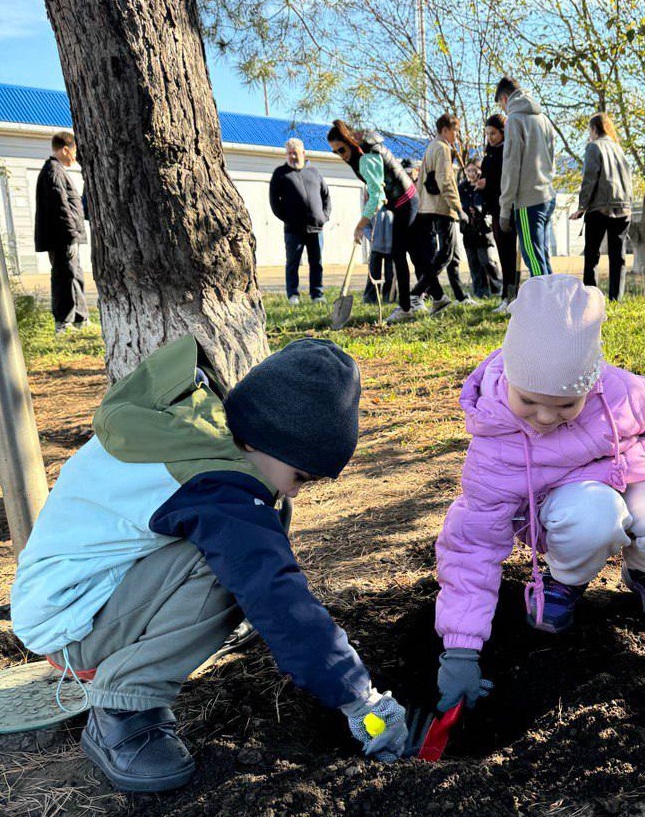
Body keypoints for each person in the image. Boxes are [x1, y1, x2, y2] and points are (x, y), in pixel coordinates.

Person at [11, 336, 409, 792]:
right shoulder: (212, 488)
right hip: (73, 632)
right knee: (235, 563)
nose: (298, 490)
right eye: (300, 476)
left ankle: (140, 663)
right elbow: (275, 594)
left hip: (77, 604)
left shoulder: (195, 436)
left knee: (260, 524)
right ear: (264, 440)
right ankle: (124, 707)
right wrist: (359, 698)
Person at [431, 275, 645, 711]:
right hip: (568, 509)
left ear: (592, 381)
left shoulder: (624, 394)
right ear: (509, 376)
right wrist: (461, 648)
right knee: (592, 516)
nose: (545, 417)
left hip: (635, 475)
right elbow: (473, 542)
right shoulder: (495, 444)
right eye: (529, 401)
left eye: (566, 405)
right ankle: (564, 581)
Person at [327, 120, 428, 324]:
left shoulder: (366, 159)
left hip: (405, 201)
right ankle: (432, 299)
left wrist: (361, 224)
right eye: (335, 152)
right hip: (403, 201)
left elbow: (377, 196)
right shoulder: (361, 157)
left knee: (403, 255)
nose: (340, 155)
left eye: (341, 149)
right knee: (412, 254)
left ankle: (409, 306)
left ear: (349, 142)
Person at [495, 77, 557, 279]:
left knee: (533, 259)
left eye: (500, 105)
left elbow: (511, 166)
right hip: (547, 195)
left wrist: (505, 207)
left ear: (505, 99)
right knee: (542, 256)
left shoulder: (515, 120)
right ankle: (552, 303)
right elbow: (552, 157)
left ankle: (543, 308)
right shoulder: (543, 118)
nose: (503, 111)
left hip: (528, 201)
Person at [570, 113, 633, 301]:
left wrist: (582, 206)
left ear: (594, 129)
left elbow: (589, 177)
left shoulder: (593, 147)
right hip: (623, 207)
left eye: (590, 131)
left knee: (592, 255)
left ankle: (591, 298)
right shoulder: (619, 149)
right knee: (618, 256)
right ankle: (616, 297)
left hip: (600, 207)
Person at [416, 112, 473, 313]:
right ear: (445, 130)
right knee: (445, 254)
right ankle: (416, 294)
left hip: (429, 207)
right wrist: (458, 208)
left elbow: (421, 180)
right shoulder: (442, 148)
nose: (456, 137)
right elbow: (446, 181)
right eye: (455, 132)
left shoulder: (431, 147)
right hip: (442, 208)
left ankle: (459, 296)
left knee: (451, 254)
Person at [34, 131, 89, 333]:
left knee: (75, 275)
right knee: (64, 277)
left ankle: (80, 318)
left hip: (66, 236)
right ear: (65, 149)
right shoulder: (53, 171)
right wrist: (72, 237)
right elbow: (61, 208)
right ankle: (64, 321)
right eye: (73, 151)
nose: (75, 156)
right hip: (62, 237)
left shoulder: (56, 170)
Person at [269, 138, 332, 305]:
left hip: (316, 228)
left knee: (316, 263)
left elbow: (326, 196)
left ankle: (317, 294)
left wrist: (324, 216)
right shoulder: (280, 174)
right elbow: (274, 201)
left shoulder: (314, 172)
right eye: (289, 154)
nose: (292, 157)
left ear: (303, 153)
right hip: (293, 230)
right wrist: (289, 218)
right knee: (293, 263)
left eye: (295, 153)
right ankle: (293, 295)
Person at [478, 114, 519, 312]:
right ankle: (507, 295)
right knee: (503, 254)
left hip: (508, 208)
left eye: (493, 133)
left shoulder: (506, 152)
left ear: (503, 132)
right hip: (494, 209)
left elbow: (507, 180)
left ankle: (511, 295)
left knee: (509, 254)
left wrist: (489, 183)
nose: (490, 138)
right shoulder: (490, 154)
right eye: (487, 134)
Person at [459, 160, 502, 299]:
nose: (472, 174)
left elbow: (488, 203)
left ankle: (498, 287)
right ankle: (480, 292)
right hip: (468, 228)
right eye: (469, 171)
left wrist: (479, 208)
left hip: (483, 228)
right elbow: (461, 204)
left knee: (486, 260)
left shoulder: (484, 186)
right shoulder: (463, 187)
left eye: (474, 170)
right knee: (473, 262)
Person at [362, 206, 395, 305]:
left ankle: (389, 297)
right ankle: (370, 299)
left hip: (391, 249)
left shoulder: (394, 206)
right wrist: (369, 235)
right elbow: (365, 225)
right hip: (375, 247)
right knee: (373, 274)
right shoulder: (372, 206)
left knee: (390, 275)